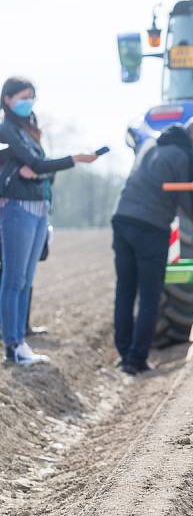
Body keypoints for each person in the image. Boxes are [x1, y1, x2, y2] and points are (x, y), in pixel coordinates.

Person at [112, 114, 193, 376]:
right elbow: (192, 205)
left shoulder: (151, 143)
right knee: (150, 295)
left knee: (125, 290)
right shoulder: (186, 157)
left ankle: (124, 352)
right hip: (151, 227)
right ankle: (136, 360)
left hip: (122, 219)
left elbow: (136, 135)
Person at [0, 76, 97, 366]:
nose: (28, 101)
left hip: (39, 207)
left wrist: (38, 170)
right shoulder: (7, 130)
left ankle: (21, 339)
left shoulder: (28, 130)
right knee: (14, 278)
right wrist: (73, 159)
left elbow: (40, 169)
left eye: (31, 96)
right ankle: (13, 344)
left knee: (26, 279)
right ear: (8, 99)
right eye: (23, 96)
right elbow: (38, 164)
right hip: (18, 206)